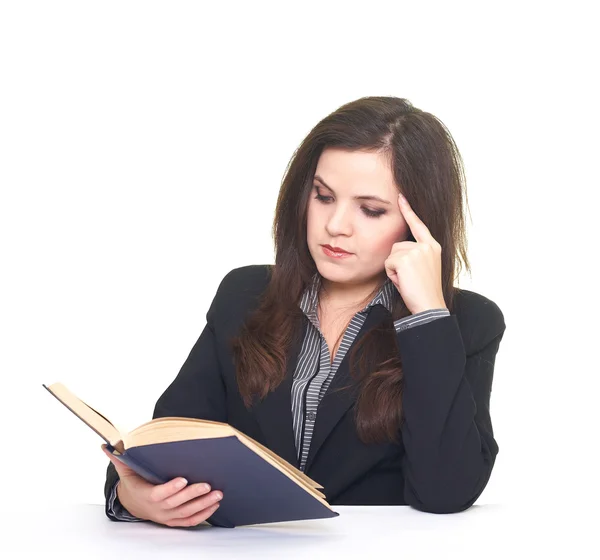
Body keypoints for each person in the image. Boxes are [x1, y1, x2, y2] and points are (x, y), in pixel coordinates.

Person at [102, 96, 506, 528]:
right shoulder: (244, 293)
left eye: (371, 210)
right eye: (324, 196)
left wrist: (426, 315)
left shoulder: (463, 324)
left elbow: (446, 491)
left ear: (418, 223)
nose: (336, 225)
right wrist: (131, 494)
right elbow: (167, 437)